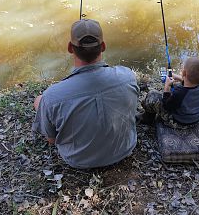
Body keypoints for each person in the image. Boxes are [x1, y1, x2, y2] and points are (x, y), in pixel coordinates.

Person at [32, 19, 139, 169]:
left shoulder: (52, 96)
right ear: (103, 46)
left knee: (39, 100)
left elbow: (51, 139)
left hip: (78, 161)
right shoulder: (127, 76)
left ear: (70, 47)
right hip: (125, 149)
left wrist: (41, 104)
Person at [141, 57, 199, 128]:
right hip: (196, 120)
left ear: (184, 73)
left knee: (153, 94)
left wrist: (167, 87)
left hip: (179, 123)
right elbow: (191, 84)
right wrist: (178, 77)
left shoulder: (180, 93)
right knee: (176, 88)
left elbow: (166, 106)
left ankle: (147, 118)